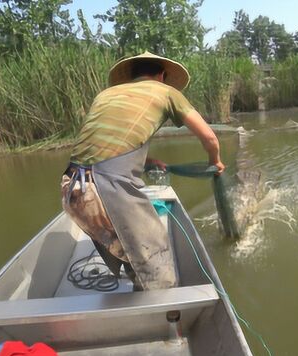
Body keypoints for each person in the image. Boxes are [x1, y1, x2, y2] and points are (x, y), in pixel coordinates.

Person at [61, 52, 225, 291]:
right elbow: (209, 137)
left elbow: (102, 146)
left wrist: (148, 160)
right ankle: (162, 319)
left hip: (72, 189)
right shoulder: (167, 92)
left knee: (133, 253)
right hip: (106, 190)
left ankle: (139, 290)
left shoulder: (105, 95)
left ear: (133, 75)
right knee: (160, 270)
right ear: (161, 75)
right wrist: (216, 162)